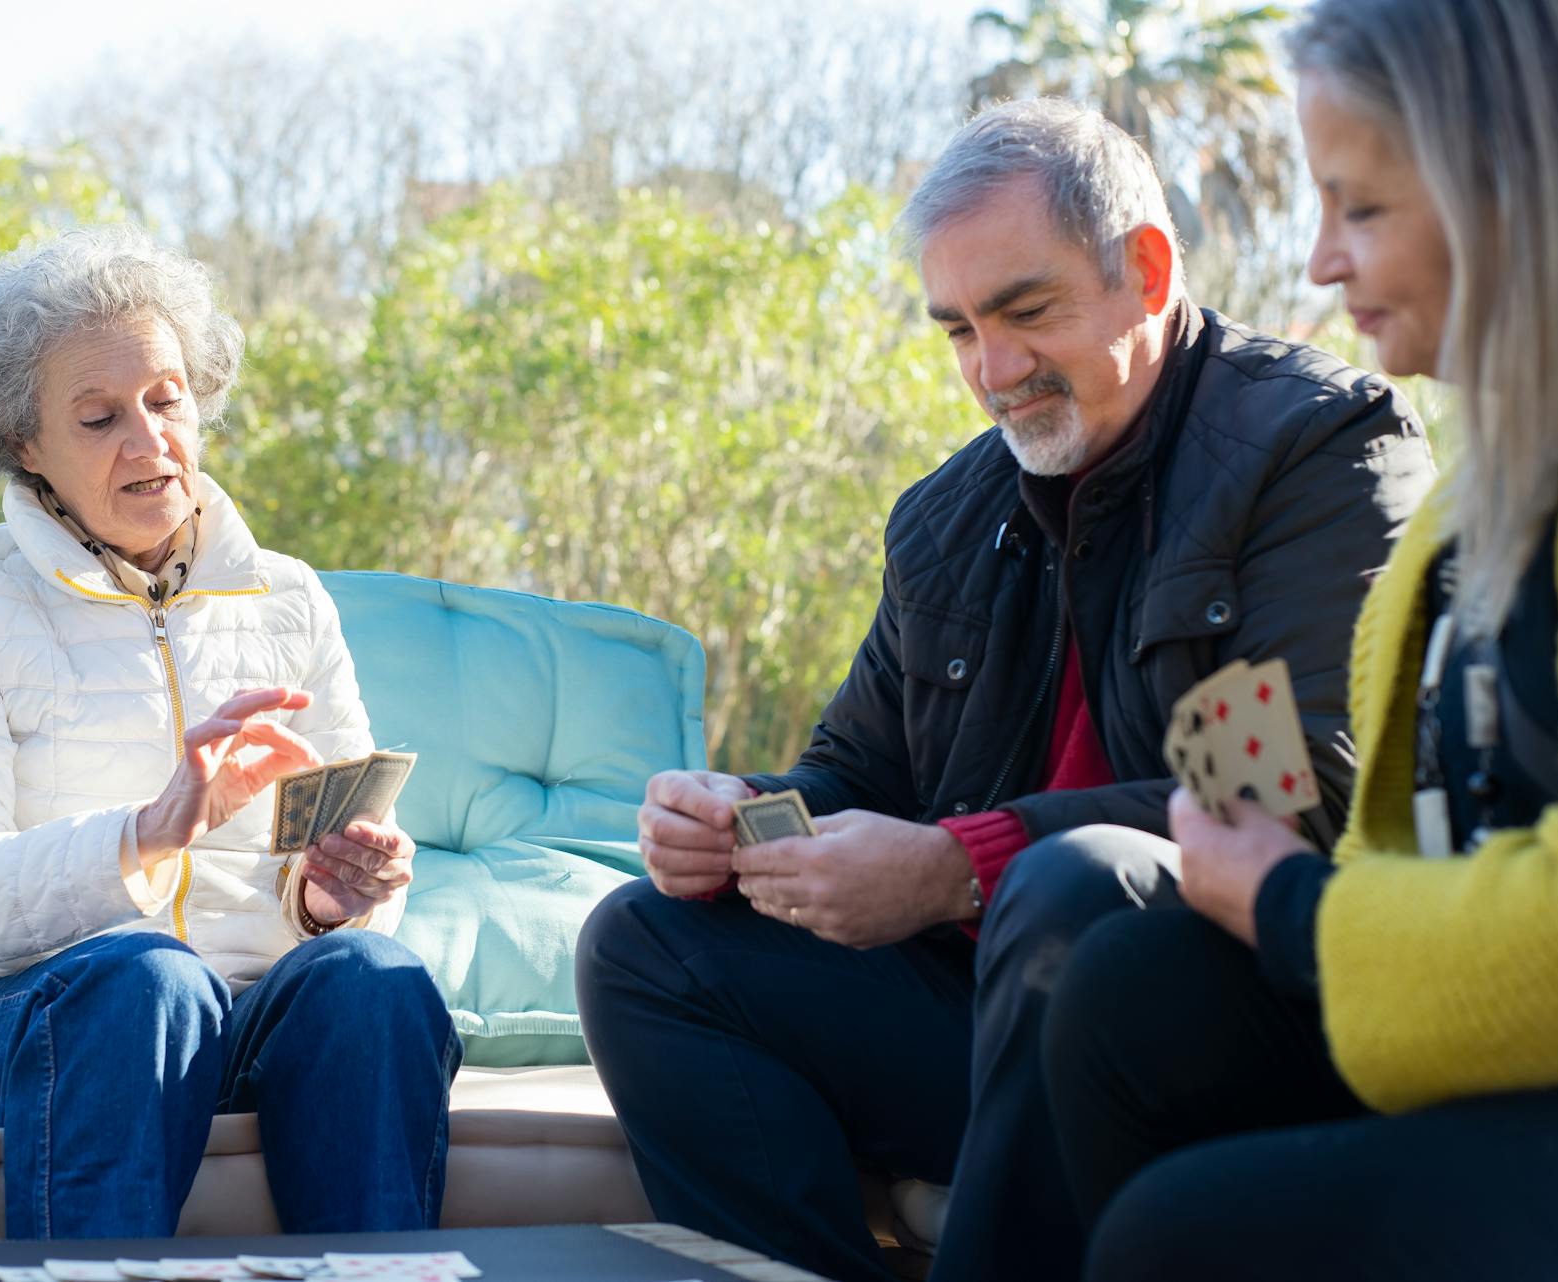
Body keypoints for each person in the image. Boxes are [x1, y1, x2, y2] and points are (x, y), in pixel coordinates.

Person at [576, 98, 1437, 1282]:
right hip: (993, 1017)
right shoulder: (947, 518)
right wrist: (740, 819)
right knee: (644, 938)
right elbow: (857, 772)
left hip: (1231, 1015)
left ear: (1145, 268)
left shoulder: (1316, 447)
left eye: (1026, 312)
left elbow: (1295, 795)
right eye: (960, 331)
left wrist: (956, 863)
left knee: (1065, 885)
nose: (994, 370)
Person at [1039, 2, 1558, 1278]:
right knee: (1123, 987)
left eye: (1361, 210)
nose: (1317, 263)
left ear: (1524, 192)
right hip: (1455, 1040)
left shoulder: (1353, 449)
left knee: (1167, 1239)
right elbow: (1396, 846)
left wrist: (1288, 901)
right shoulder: (1474, 506)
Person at [0, 224, 461, 1239]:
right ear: (28, 444)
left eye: (166, 398)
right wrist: (149, 831)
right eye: (98, 418)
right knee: (150, 977)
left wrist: (333, 896)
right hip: (11, 1018)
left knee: (374, 980)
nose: (149, 443)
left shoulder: (289, 599)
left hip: (245, 1014)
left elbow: (345, 900)